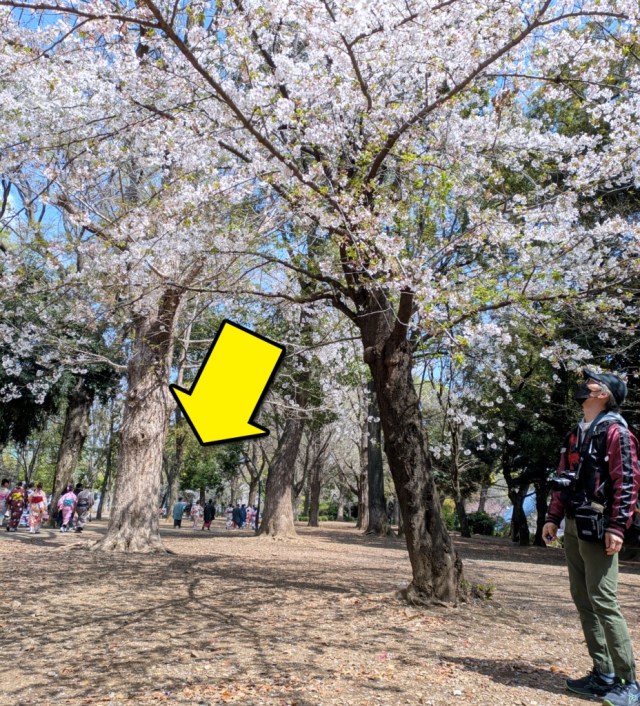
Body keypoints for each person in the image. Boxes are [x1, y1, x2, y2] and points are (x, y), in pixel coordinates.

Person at [543, 369, 640, 706]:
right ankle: (603, 673)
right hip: (574, 523)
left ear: (604, 394)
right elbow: (563, 477)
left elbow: (627, 481)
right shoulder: (575, 433)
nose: (585, 385)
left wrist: (617, 526)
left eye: (592, 382)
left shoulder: (616, 433)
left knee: (603, 598)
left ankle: (629, 681)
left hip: (600, 525)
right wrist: (553, 517)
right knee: (583, 597)